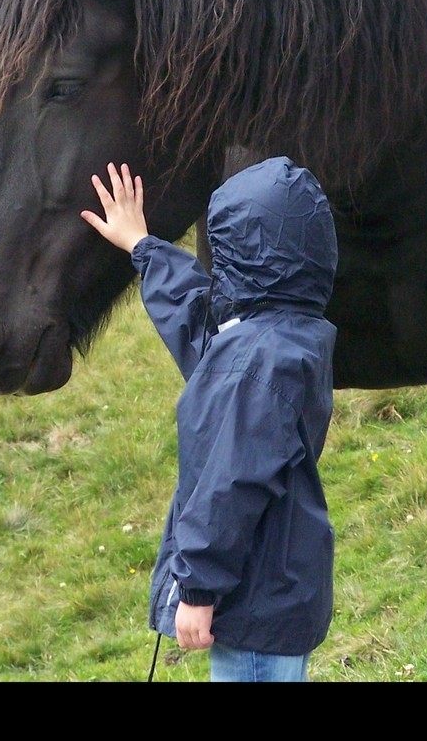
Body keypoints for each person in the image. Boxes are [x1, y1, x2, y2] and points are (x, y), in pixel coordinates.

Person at [80, 156, 339, 682]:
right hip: (275, 596)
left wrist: (198, 590)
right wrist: (142, 246)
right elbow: (199, 324)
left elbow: (230, 483)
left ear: (240, 252)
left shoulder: (255, 364)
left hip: (250, 608)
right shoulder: (279, 337)